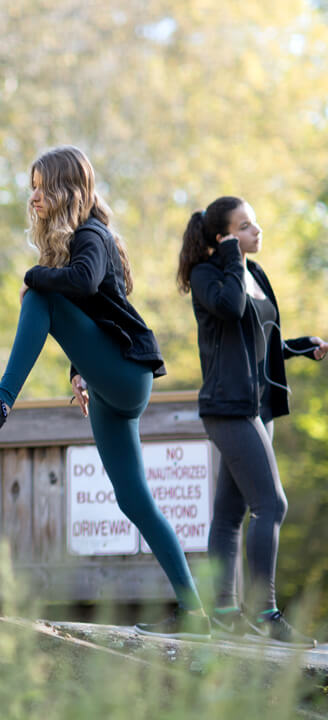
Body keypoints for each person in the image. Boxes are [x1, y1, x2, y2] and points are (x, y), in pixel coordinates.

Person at [0, 145, 209, 638]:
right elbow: (99, 312)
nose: (33, 197)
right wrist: (81, 371)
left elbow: (83, 281)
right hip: (106, 384)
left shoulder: (92, 235)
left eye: (41, 187)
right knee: (134, 501)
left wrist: (32, 276)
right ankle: (195, 614)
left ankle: (0, 404)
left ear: (65, 190)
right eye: (30, 187)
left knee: (41, 294)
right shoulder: (76, 241)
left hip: (128, 374)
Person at [178, 196, 326, 648]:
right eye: (245, 226)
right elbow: (228, 308)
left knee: (229, 514)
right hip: (229, 408)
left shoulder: (255, 274)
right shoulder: (211, 276)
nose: (257, 231)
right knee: (272, 505)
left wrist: (303, 345)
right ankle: (264, 614)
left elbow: (262, 341)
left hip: (259, 407)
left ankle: (224, 614)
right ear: (223, 237)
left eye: (255, 223)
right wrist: (230, 258)